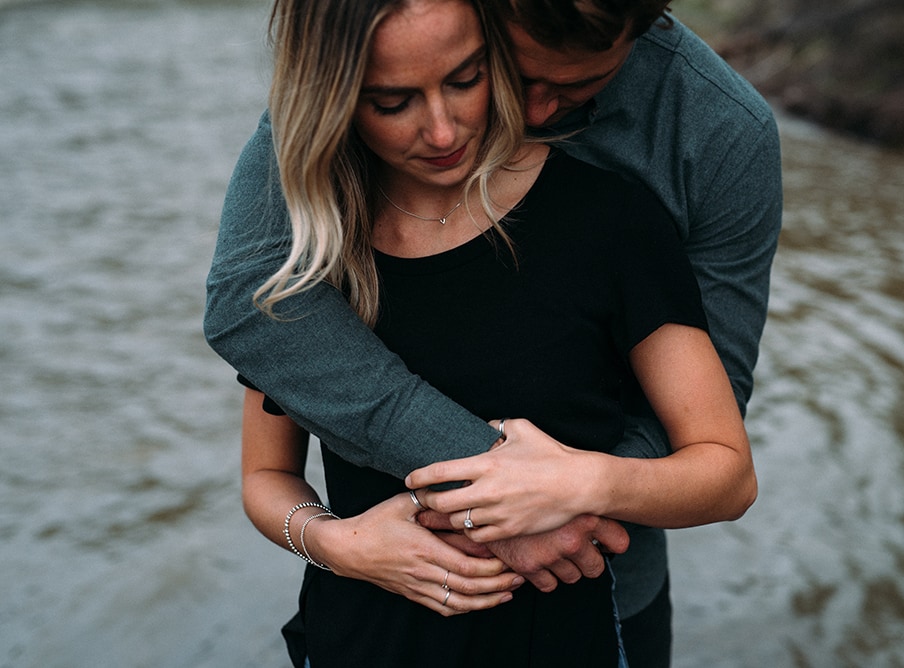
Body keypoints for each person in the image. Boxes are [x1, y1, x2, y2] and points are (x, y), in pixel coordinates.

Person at [205, 0, 782, 665]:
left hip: (587, 612)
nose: (447, 129)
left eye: (468, 78)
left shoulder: (638, 205)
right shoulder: (318, 239)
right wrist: (338, 542)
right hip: (363, 635)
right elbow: (264, 450)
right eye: (393, 102)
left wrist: (567, 499)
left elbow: (717, 449)